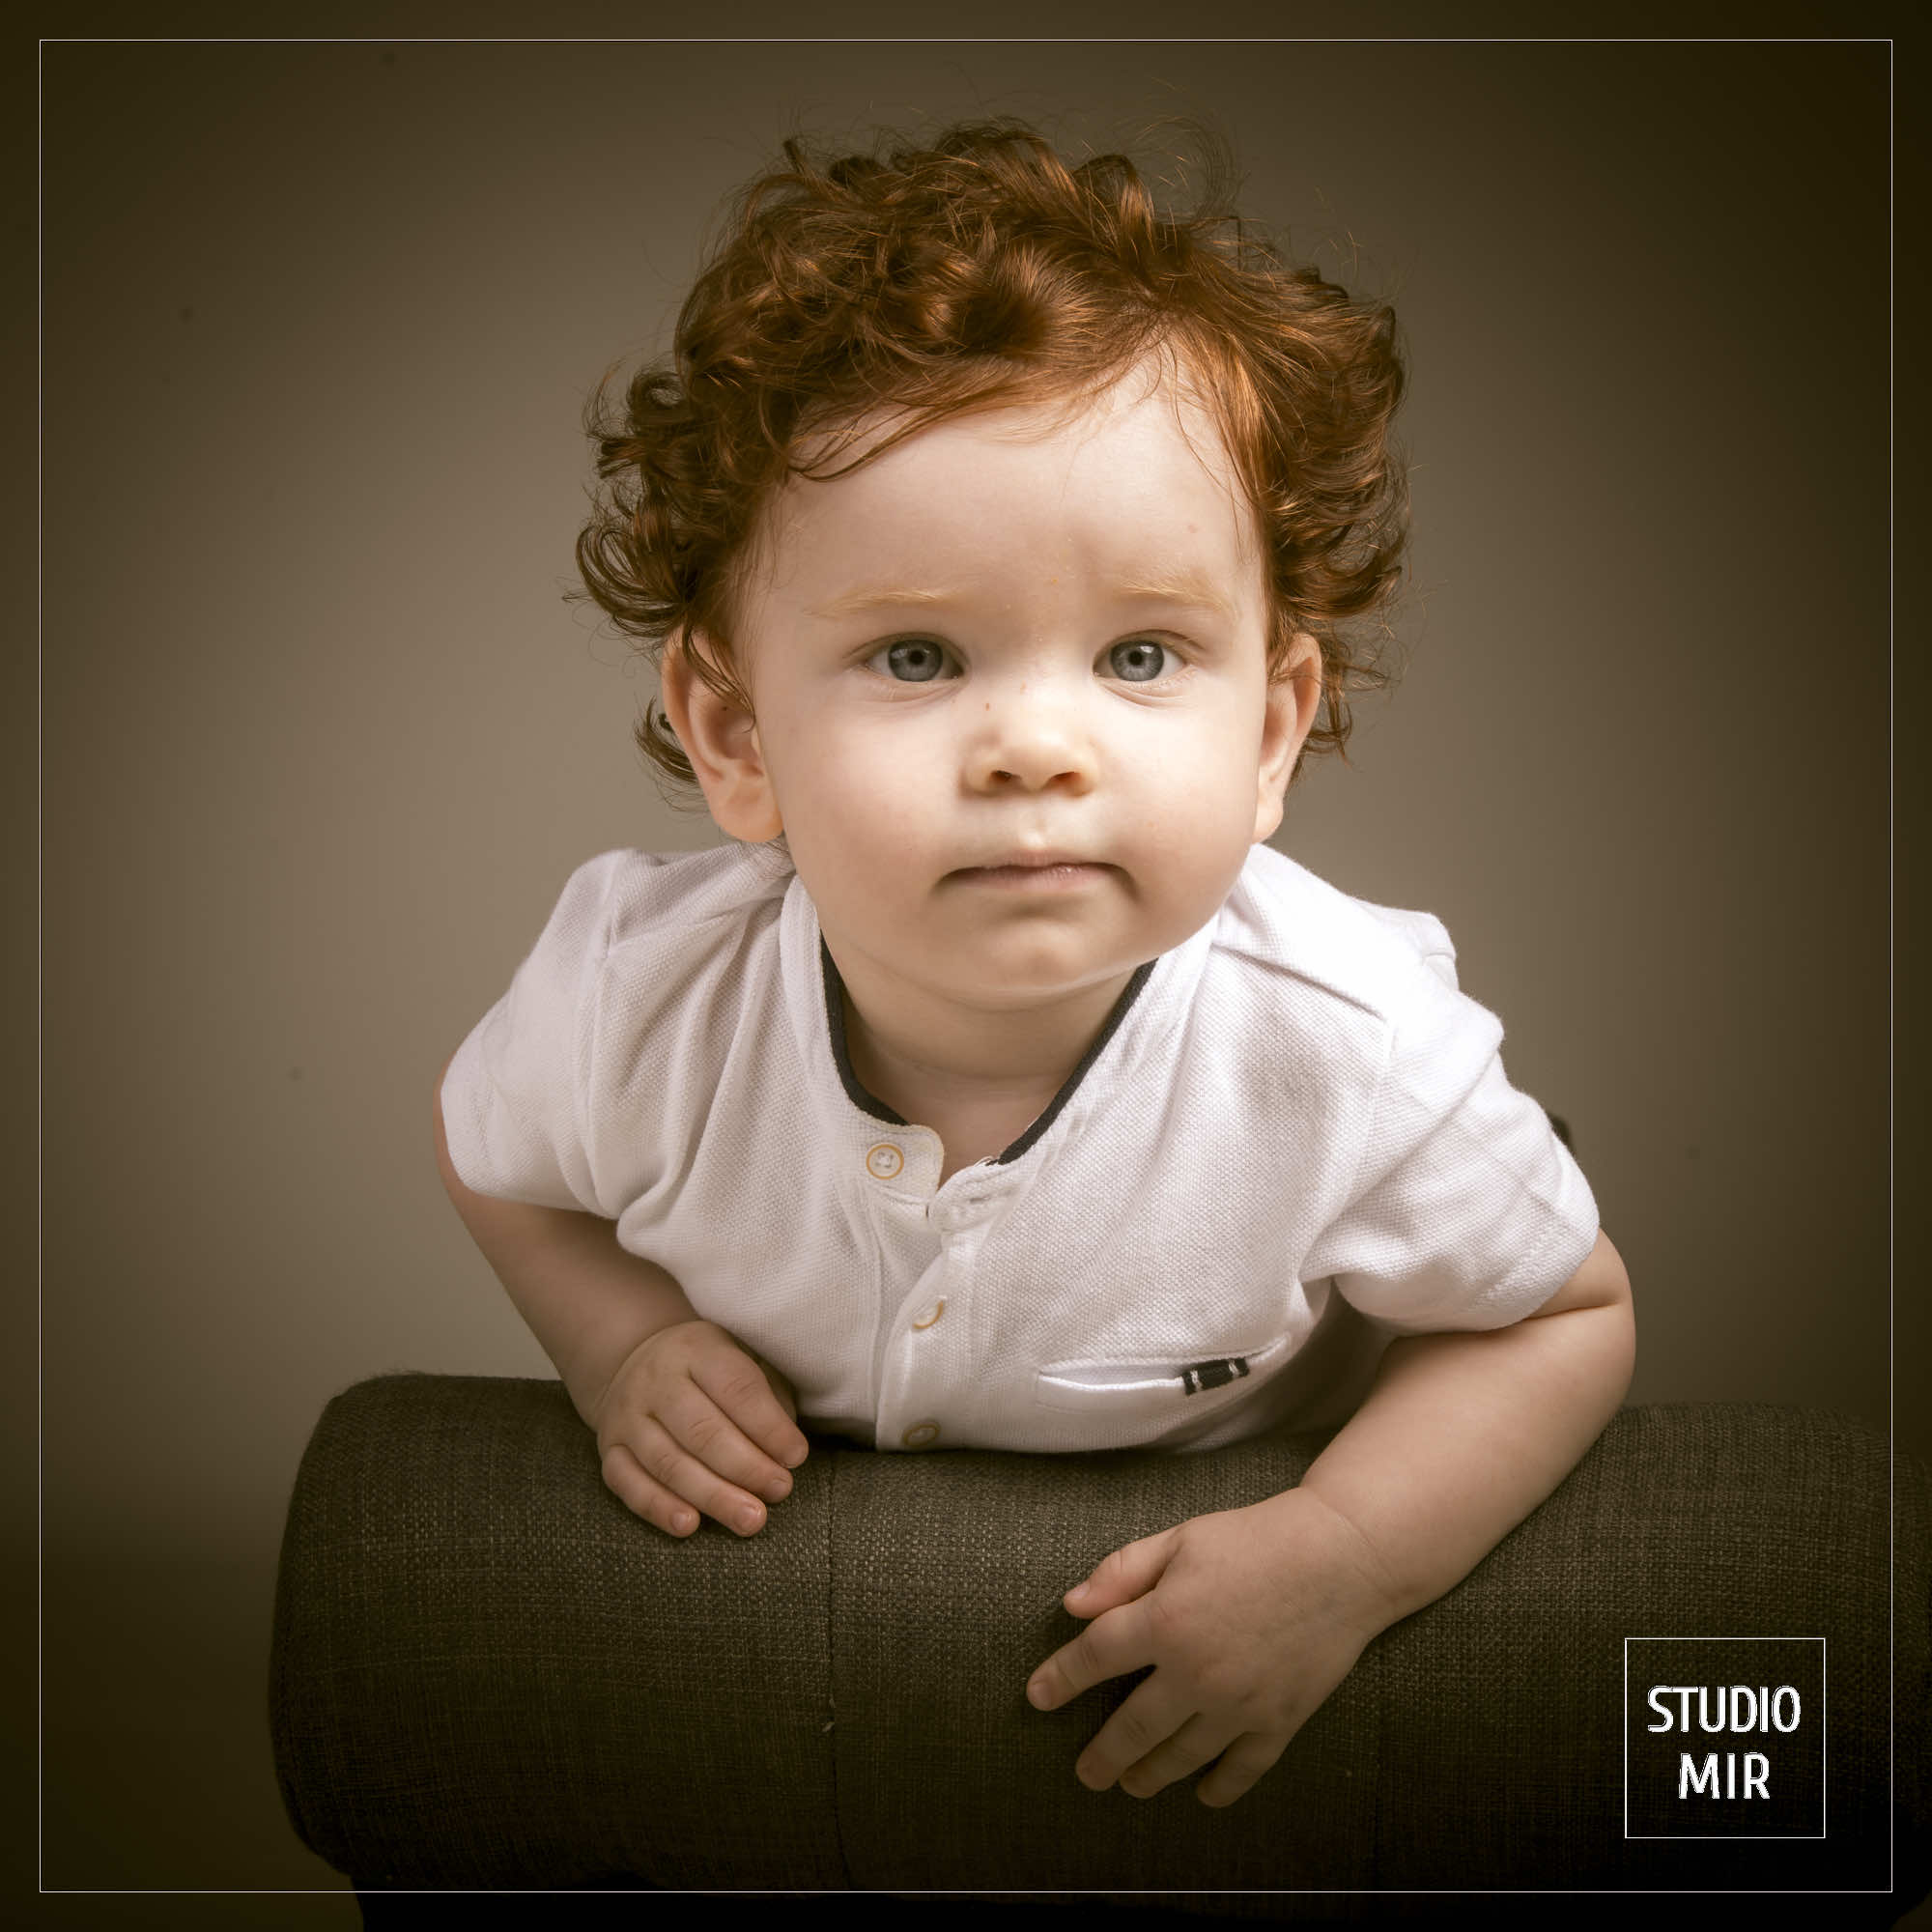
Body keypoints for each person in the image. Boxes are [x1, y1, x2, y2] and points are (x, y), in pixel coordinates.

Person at [433, 116, 1635, 1811]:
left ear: (1274, 729)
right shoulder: (636, 1004)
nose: (1036, 747)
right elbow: (496, 1167)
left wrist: (1348, 1551)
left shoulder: (1354, 1051)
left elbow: (1569, 1318)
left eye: (1142, 653)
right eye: (917, 655)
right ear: (731, 729)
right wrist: (616, 1344)